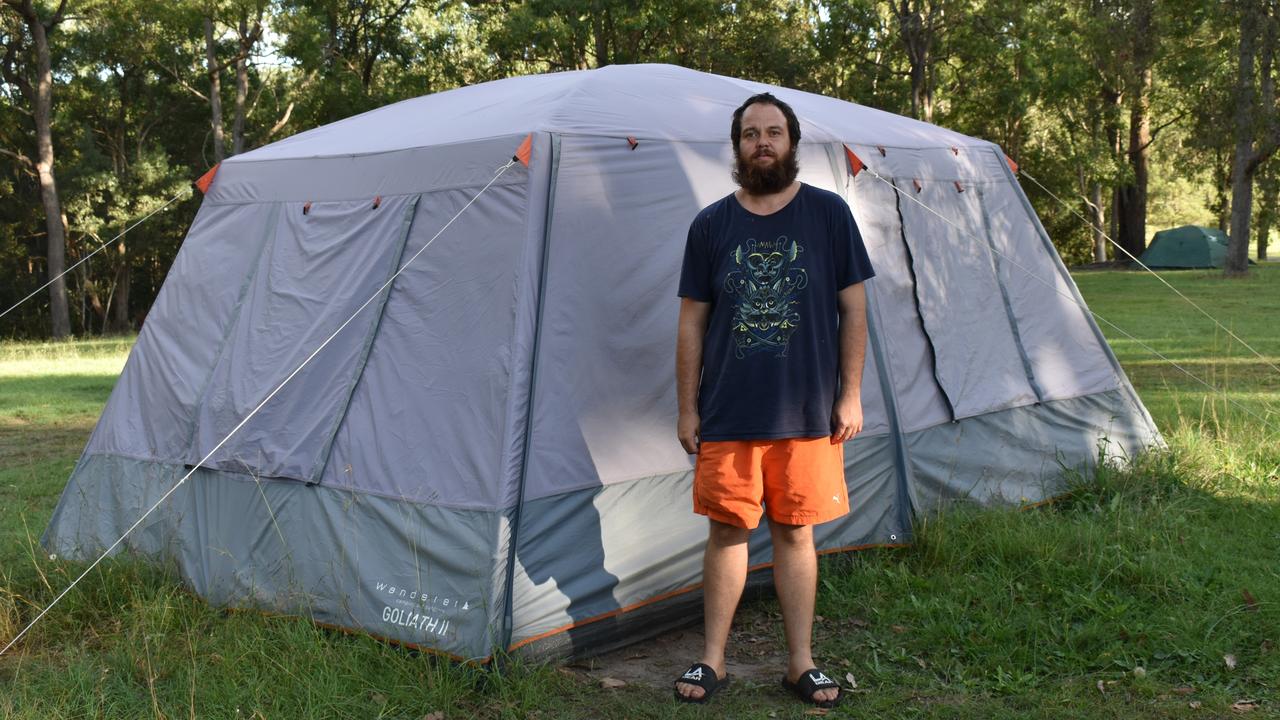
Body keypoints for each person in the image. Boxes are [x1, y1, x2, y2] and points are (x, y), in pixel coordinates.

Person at [672, 92, 874, 708]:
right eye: (751, 134)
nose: (763, 142)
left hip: (809, 413)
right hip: (729, 409)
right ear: (736, 147)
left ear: (792, 143)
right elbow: (691, 325)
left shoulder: (829, 215)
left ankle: (800, 663)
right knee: (728, 534)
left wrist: (851, 395)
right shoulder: (710, 225)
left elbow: (854, 310)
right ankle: (712, 661)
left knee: (795, 534)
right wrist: (687, 407)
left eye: (774, 132)